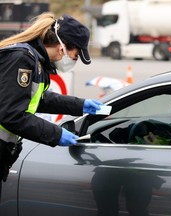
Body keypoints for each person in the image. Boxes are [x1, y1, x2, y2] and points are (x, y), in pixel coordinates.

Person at [0, 13, 103, 185]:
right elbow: (11, 114)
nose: (73, 61)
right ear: (63, 47)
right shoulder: (22, 59)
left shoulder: (35, 61)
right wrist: (56, 134)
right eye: (76, 56)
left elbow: (37, 99)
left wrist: (80, 105)